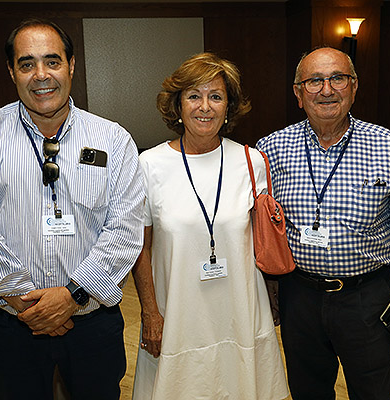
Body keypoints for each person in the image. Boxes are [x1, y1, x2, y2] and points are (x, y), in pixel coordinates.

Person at [0, 19, 144, 400]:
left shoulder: (113, 139)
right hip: (14, 323)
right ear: (11, 71)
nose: (41, 75)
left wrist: (73, 296)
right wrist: (31, 306)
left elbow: (125, 228)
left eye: (52, 61)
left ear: (71, 65)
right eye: (27, 64)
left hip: (92, 324)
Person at [256, 46, 390, 400]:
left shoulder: (387, 146)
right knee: (307, 389)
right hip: (300, 297)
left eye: (337, 78)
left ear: (354, 87)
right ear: (298, 93)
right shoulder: (272, 149)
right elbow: (256, 225)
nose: (327, 90)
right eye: (314, 81)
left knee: (373, 390)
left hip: (367, 299)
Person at [131, 52, 289, 400]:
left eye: (216, 96)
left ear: (228, 106)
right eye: (194, 96)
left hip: (240, 309)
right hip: (178, 312)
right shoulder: (150, 165)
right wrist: (150, 312)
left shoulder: (251, 161)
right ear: (178, 105)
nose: (205, 107)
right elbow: (140, 248)